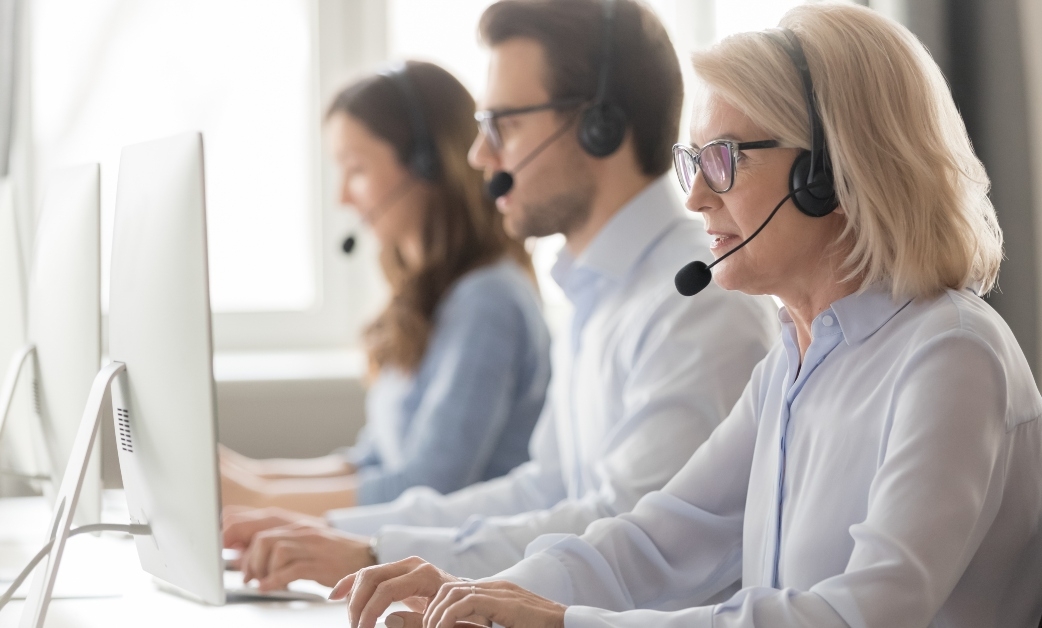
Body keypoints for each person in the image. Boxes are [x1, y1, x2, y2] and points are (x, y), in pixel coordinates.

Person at [330, 4, 1042, 628]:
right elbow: (657, 539)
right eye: (694, 162)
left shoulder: (950, 356)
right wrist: (495, 594)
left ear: (829, 172)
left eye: (723, 161)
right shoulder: (799, 359)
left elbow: (858, 615)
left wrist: (563, 621)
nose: (696, 199)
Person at [221, 0, 779, 593]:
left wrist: (372, 552)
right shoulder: (599, 292)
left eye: (504, 126)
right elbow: (545, 487)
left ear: (600, 126)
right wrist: (340, 536)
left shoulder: (696, 302)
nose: (479, 156)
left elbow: (628, 532)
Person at [219, 61, 552, 519]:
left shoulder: (487, 301)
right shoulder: (431, 295)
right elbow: (373, 462)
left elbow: (429, 483)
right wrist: (249, 477)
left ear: (427, 163)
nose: (342, 198)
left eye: (355, 169)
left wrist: (258, 502)